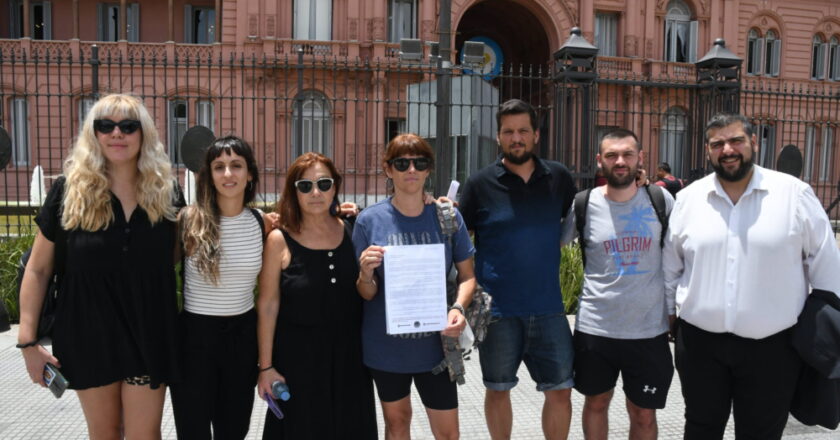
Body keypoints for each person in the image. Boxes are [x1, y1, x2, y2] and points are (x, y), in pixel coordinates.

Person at [663, 112, 840, 439]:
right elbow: (671, 267)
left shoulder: (793, 194)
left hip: (773, 349)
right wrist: (672, 317)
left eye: (736, 140)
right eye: (718, 143)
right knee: (700, 428)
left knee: (761, 433)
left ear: (753, 143)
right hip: (700, 345)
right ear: (707, 150)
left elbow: (827, 266)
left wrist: (818, 328)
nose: (727, 149)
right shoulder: (688, 199)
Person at [17, 93, 182, 438]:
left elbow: (187, 250)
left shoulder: (166, 192)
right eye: (105, 126)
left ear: (144, 133)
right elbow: (38, 269)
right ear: (94, 134)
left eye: (127, 126)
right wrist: (28, 342)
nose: (116, 134)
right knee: (105, 433)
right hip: (89, 334)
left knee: (144, 435)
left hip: (149, 331)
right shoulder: (68, 192)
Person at [459, 99, 577, 440]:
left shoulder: (559, 178)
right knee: (498, 389)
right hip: (498, 311)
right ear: (498, 137)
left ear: (536, 135)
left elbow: (582, 215)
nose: (516, 138)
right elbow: (458, 240)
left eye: (523, 130)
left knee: (560, 391)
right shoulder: (480, 184)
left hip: (550, 308)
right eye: (508, 131)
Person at [353, 133, 476, 440]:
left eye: (419, 163)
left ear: (428, 169)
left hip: (437, 348)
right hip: (386, 348)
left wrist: (459, 309)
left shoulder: (448, 218)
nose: (411, 169)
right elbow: (364, 293)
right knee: (397, 425)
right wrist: (366, 275)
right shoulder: (369, 221)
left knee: (448, 433)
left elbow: (468, 277)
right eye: (402, 162)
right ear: (388, 168)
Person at [562, 129, 675, 440]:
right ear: (600, 161)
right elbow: (549, 243)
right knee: (596, 402)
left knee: (643, 414)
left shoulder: (660, 199)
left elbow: (684, 252)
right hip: (596, 330)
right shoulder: (583, 204)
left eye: (627, 154)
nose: (620, 161)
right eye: (612, 155)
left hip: (649, 331)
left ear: (641, 158)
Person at [257, 152, 377, 439]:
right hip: (298, 365)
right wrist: (266, 367)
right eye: (305, 185)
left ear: (335, 187)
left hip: (350, 362)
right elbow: (267, 306)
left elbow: (367, 291)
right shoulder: (278, 239)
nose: (315, 192)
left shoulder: (352, 229)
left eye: (324, 184)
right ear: (293, 190)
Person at [170, 136, 266, 439]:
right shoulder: (189, 220)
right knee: (193, 431)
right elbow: (152, 269)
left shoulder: (262, 222)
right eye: (219, 166)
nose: (228, 174)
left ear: (249, 173)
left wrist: (339, 211)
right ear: (209, 175)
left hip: (242, 338)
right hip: (194, 340)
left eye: (236, 165)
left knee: (233, 430)